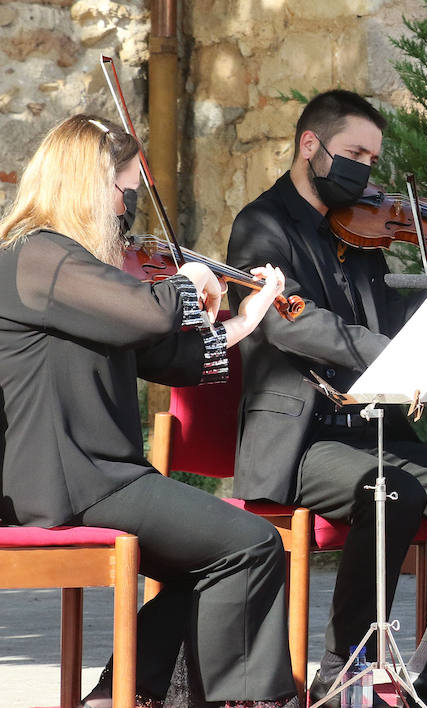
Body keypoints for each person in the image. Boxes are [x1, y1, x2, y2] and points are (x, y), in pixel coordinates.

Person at [225, 90, 427, 708]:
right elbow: (290, 323)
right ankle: (343, 667)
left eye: (373, 160)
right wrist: (387, 354)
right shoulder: (261, 225)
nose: (366, 174)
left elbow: (398, 315)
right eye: (354, 154)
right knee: (393, 492)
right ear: (309, 145)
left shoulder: (361, 236)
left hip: (374, 435)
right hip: (303, 440)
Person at [0, 115, 293, 707]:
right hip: (72, 479)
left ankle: (125, 694)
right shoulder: (38, 257)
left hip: (95, 473)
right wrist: (188, 279)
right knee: (252, 544)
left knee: (211, 559)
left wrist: (245, 319)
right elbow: (155, 312)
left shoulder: (63, 264)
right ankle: (235, 699)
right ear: (91, 183)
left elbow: (160, 351)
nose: (129, 204)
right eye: (126, 188)